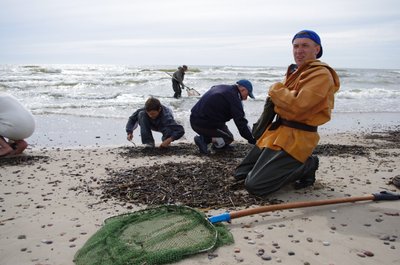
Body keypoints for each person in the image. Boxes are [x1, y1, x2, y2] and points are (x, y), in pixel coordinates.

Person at [234, 30, 340, 196]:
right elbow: (286, 103)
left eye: (305, 46)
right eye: (296, 46)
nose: (299, 50)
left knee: (255, 186)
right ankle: (281, 167)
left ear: (317, 49)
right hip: (277, 134)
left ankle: (308, 165)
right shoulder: (295, 72)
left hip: (297, 138)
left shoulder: (321, 74)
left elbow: (298, 106)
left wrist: (276, 89)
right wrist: (283, 99)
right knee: (240, 175)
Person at [190, 79, 256, 154]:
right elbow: (240, 122)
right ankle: (203, 140)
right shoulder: (234, 98)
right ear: (243, 89)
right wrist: (251, 139)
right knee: (227, 139)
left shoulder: (223, 87)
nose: (246, 98)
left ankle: (217, 145)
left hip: (196, 118)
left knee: (229, 137)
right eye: (247, 95)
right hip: (201, 124)